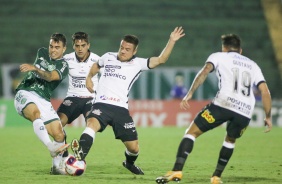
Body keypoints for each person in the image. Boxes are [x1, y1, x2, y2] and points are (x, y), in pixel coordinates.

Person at [155, 34, 272, 184]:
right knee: (230, 140)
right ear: (240, 50)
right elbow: (265, 91)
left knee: (191, 133)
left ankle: (177, 170)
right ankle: (216, 177)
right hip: (245, 111)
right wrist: (267, 116)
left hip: (222, 105)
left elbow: (204, 72)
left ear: (224, 48)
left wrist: (190, 93)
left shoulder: (218, 56)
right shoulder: (253, 65)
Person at [70, 27, 185, 175]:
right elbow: (96, 65)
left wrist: (171, 41)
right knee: (91, 124)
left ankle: (129, 163)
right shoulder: (108, 56)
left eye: (127, 49)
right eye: (121, 47)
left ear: (134, 51)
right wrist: (88, 79)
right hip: (101, 104)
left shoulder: (139, 63)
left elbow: (161, 59)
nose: (123, 51)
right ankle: (79, 159)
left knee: (134, 148)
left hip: (120, 109)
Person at [14, 33, 70, 163]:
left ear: (64, 49)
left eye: (57, 47)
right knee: (36, 113)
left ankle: (57, 167)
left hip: (43, 99)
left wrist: (35, 69)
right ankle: (50, 146)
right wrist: (35, 69)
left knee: (59, 134)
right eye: (51, 46)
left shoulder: (64, 66)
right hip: (26, 92)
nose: (53, 50)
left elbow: (50, 76)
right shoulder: (42, 52)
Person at [50, 32, 100, 174]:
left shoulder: (98, 60)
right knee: (57, 125)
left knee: (92, 123)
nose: (80, 49)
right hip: (72, 98)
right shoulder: (67, 59)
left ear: (88, 45)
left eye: (83, 45)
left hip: (91, 98)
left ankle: (80, 155)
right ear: (73, 46)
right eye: (77, 46)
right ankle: (64, 158)